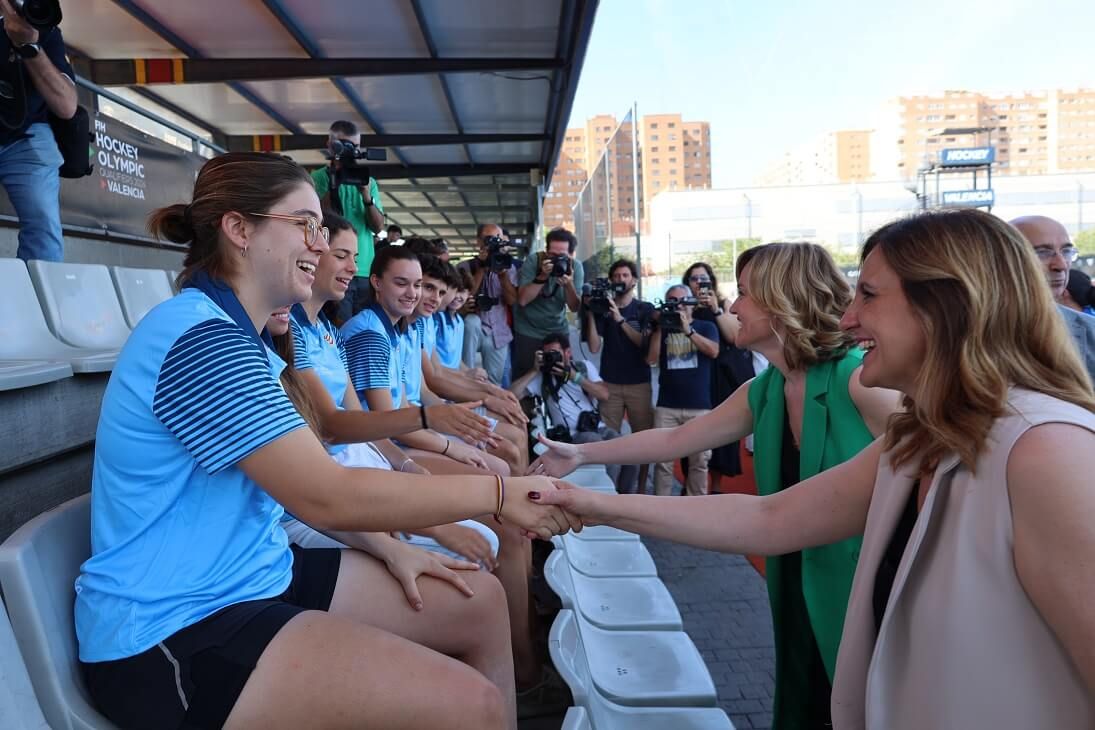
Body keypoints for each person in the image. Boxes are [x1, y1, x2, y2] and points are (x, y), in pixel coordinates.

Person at [533, 210, 1095, 729]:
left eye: (869, 295)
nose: (848, 316)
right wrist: (584, 496)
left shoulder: (1045, 451)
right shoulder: (924, 433)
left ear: (949, 305)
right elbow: (773, 518)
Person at [74, 152, 575, 730]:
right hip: (172, 625)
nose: (322, 244)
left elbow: (300, 489)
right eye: (306, 225)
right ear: (239, 230)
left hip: (254, 574)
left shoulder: (247, 343)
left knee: (479, 602)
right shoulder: (199, 339)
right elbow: (327, 493)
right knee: (473, 704)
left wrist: (390, 546)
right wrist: (496, 494)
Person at [532, 243, 901, 730]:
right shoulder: (765, 390)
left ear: (783, 300)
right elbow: (677, 439)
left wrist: (595, 502)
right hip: (799, 586)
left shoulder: (858, 382)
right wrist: (582, 453)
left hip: (871, 600)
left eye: (744, 294)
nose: (731, 307)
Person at [275, 212, 502, 570]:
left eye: (354, 257)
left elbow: (365, 418)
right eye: (340, 255)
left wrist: (406, 465)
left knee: (488, 513)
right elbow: (333, 426)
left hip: (363, 463)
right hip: (329, 486)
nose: (352, 268)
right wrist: (435, 429)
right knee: (487, 518)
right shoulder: (298, 334)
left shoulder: (328, 331)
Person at [511, 332, 636, 492]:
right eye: (548, 354)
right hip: (571, 436)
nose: (552, 358)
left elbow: (604, 394)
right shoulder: (543, 377)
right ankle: (610, 497)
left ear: (568, 352)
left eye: (556, 354)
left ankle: (625, 497)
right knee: (602, 446)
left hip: (598, 427)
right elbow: (512, 394)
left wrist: (574, 376)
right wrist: (535, 370)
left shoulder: (583, 367)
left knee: (628, 450)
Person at [0, 3, 76, 262]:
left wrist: (29, 45)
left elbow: (66, 106)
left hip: (28, 136)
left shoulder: (45, 30)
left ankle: (38, 296)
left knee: (44, 225)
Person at [681, 261, 759, 486]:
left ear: (711, 281)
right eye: (694, 279)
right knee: (694, 429)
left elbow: (734, 336)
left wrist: (715, 309)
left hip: (721, 374)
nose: (699, 284)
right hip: (696, 374)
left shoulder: (724, 303)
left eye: (703, 279)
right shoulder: (685, 306)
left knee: (722, 429)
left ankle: (715, 485)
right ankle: (692, 482)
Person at [584, 258, 654, 493]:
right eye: (616, 276)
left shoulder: (644, 309)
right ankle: (609, 488)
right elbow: (594, 347)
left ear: (634, 280)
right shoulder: (603, 309)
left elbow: (644, 344)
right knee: (609, 439)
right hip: (610, 384)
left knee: (644, 440)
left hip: (639, 383)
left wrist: (619, 318)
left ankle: (642, 489)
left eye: (625, 276)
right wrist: (593, 312)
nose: (620, 280)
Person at [647, 283, 721, 498]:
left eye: (681, 301)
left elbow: (713, 351)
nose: (678, 306)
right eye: (672, 301)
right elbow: (651, 359)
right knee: (663, 462)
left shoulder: (706, 326)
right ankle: (661, 510)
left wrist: (688, 329)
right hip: (667, 405)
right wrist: (661, 326)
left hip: (699, 406)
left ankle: (697, 509)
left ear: (691, 303)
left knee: (699, 462)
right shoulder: (662, 329)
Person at [312, 120, 384, 322]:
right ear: (330, 145)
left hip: (364, 269)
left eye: (355, 146)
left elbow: (378, 226)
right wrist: (334, 182)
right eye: (344, 145)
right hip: (333, 267)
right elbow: (320, 218)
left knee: (364, 328)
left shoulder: (368, 182)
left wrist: (367, 196)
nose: (350, 151)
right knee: (340, 327)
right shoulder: (319, 178)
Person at [1010, 215, 1095, 383]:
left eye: (1066, 251)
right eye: (1042, 253)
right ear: (1003, 260)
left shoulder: (1091, 331)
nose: (1061, 265)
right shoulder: (966, 331)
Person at [514, 228, 584, 375]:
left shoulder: (576, 267)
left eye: (562, 256)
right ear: (546, 251)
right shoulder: (535, 261)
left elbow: (574, 306)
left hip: (557, 328)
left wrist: (569, 284)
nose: (556, 260)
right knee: (527, 375)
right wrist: (542, 276)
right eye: (552, 254)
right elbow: (522, 300)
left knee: (560, 373)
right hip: (528, 329)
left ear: (571, 255)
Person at [459, 223, 519, 385]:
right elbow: (463, 298)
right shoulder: (465, 266)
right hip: (474, 329)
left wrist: (503, 275)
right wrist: (482, 268)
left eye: (498, 238)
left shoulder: (509, 267)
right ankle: (467, 380)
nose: (494, 242)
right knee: (472, 321)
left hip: (498, 331)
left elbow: (512, 301)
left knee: (494, 382)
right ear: (478, 242)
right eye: (489, 238)